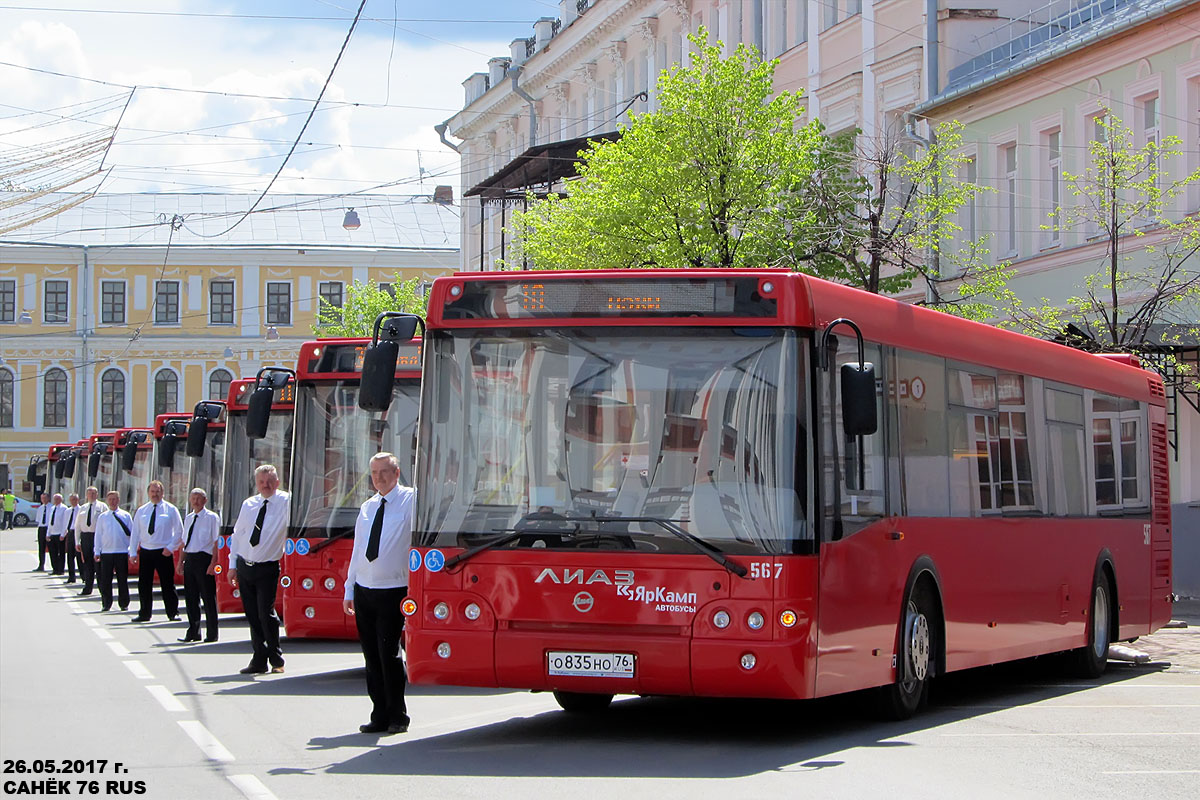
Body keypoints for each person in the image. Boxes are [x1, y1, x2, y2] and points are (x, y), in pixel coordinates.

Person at [344, 452, 416, 735]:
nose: (379, 478)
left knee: (390, 654)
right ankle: (379, 714)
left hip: (393, 589)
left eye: (384, 472)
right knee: (371, 656)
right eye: (374, 473)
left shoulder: (410, 500)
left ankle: (398, 715)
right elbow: (358, 549)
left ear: (397, 473)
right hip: (365, 588)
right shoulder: (368, 507)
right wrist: (349, 588)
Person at [228, 464, 290, 675]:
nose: (266, 485)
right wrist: (232, 566)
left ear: (278, 482)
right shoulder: (249, 504)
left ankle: (276, 657)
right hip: (246, 566)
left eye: (270, 481)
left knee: (266, 613)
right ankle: (259, 659)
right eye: (262, 482)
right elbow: (238, 535)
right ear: (256, 483)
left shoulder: (286, 502)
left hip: (268, 567)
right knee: (252, 615)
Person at [128, 480, 183, 622]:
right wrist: (133, 552)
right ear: (148, 493)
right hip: (146, 550)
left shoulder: (171, 509)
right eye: (152, 492)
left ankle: (173, 612)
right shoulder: (142, 511)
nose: (155, 494)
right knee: (144, 584)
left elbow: (179, 532)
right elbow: (135, 533)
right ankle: (144, 613)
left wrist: (170, 548)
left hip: (163, 551)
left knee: (167, 584)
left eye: (157, 492)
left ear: (162, 493)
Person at [177, 488, 220, 643]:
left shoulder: (211, 518)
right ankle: (193, 631)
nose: (195, 501)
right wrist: (181, 561)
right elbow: (184, 542)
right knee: (190, 597)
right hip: (190, 558)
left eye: (199, 498)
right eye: (193, 498)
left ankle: (212, 633)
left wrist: (213, 563)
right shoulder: (189, 518)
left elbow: (216, 542)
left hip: (204, 558)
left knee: (208, 597)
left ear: (205, 500)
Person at [94, 491, 133, 611]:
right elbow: (98, 535)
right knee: (106, 580)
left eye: (115, 499)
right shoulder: (103, 517)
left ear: (119, 500)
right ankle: (106, 603)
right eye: (110, 499)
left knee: (122, 579)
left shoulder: (126, 515)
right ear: (107, 500)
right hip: (106, 552)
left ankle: (124, 603)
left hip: (121, 551)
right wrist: (97, 551)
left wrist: (131, 551)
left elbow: (132, 534)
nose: (112, 501)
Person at [74, 487, 103, 596]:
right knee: (87, 564)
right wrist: (77, 541)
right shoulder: (83, 508)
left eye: (94, 493)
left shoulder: (102, 506)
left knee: (98, 565)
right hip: (86, 537)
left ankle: (102, 589)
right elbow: (77, 526)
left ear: (97, 494)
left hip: (97, 536)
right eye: (90, 493)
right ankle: (88, 587)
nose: (92, 495)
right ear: (86, 495)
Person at [45, 494, 68, 575]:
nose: (56, 500)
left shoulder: (64, 508)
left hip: (60, 534)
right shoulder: (52, 508)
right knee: (52, 552)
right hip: (52, 533)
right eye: (55, 499)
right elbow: (50, 522)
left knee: (61, 553)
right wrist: (48, 533)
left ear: (61, 499)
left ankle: (61, 569)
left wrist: (63, 534)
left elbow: (65, 522)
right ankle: (55, 569)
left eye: (58, 499)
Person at [63, 493, 80, 584]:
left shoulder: (81, 510)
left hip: (78, 532)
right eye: (72, 500)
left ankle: (83, 576)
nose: (73, 501)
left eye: (75, 499)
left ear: (78, 500)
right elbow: (65, 523)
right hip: (70, 533)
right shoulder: (67, 511)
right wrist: (63, 534)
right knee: (70, 556)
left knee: (79, 556)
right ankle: (71, 576)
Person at [35, 492, 50, 571]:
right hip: (41, 528)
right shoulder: (40, 508)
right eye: (42, 498)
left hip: (48, 528)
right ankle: (41, 565)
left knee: (51, 548)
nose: (43, 500)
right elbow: (38, 520)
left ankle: (55, 566)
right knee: (41, 547)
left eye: (45, 498)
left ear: (48, 498)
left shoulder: (51, 507)